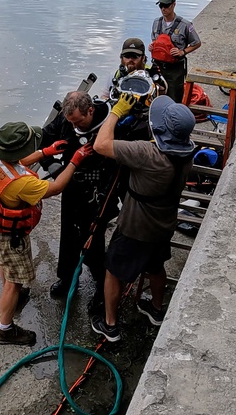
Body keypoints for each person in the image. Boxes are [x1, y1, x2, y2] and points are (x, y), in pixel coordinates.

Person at [89, 94, 195, 342]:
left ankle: (110, 325)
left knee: (113, 271)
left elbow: (100, 145)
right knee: (156, 266)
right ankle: (157, 310)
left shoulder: (146, 153)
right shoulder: (187, 153)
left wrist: (116, 111)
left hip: (135, 227)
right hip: (165, 223)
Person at [0, 121, 93, 346]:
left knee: (6, 266)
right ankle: (6, 329)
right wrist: (75, 159)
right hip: (10, 236)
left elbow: (14, 162)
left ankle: (13, 295)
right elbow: (57, 186)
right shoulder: (22, 185)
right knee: (15, 279)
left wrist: (45, 152)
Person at [40, 90, 150, 313]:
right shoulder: (66, 120)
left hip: (102, 191)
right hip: (72, 186)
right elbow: (44, 140)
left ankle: (103, 286)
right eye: (70, 122)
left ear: (90, 110)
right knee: (69, 235)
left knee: (93, 241)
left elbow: (132, 158)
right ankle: (68, 276)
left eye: (78, 121)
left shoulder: (112, 125)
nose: (74, 126)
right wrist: (52, 166)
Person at [150, 0, 202, 103]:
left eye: (166, 5)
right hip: (158, 66)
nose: (163, 9)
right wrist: (153, 47)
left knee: (174, 98)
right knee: (155, 96)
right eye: (161, 6)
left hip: (175, 69)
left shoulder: (185, 25)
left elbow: (196, 43)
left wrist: (182, 52)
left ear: (174, 4)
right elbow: (154, 39)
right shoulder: (156, 23)